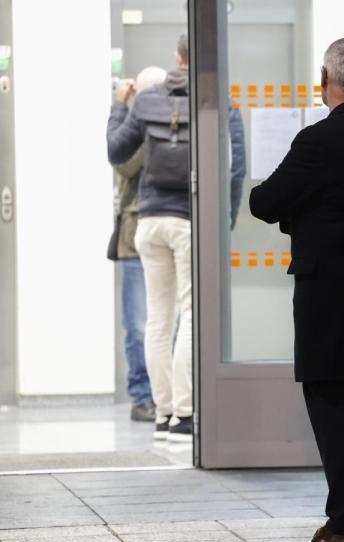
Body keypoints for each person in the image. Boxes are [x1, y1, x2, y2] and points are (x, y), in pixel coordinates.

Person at [249, 37, 344, 542]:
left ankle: (343, 525)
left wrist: (298, 217)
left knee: (332, 405)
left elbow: (265, 203)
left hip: (326, 292)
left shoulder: (317, 140)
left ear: (323, 81)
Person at [107, 35, 194, 442]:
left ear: (177, 57)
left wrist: (118, 105)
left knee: (158, 320)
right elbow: (233, 169)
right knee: (190, 316)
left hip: (149, 221)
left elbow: (115, 151)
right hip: (188, 221)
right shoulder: (210, 104)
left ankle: (161, 412)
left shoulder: (144, 102)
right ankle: (185, 412)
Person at [107, 66, 167, 423]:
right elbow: (124, 164)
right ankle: (142, 395)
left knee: (166, 321)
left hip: (157, 228)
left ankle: (164, 393)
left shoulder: (162, 124)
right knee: (138, 322)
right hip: (133, 235)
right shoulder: (137, 127)